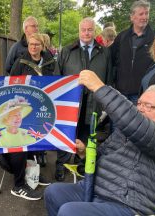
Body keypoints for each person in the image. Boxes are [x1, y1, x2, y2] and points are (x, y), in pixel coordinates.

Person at [44, 70, 155, 216]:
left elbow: (138, 126)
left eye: (149, 106)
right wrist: (84, 153)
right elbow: (98, 161)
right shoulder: (123, 131)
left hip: (129, 205)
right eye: (139, 103)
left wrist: (100, 88)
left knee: (70, 212)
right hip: (96, 189)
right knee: (53, 192)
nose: (140, 109)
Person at [55, 17, 112, 181]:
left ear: (94, 31)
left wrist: (105, 103)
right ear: (79, 31)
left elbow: (108, 80)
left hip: (94, 103)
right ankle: (61, 166)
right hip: (71, 103)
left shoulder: (104, 52)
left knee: (87, 137)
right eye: (83, 30)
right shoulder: (67, 51)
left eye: (90, 30)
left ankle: (82, 168)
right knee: (67, 135)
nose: (86, 33)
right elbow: (57, 77)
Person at [111, 0, 155, 104]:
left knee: (139, 121)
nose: (145, 17)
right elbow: (112, 60)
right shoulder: (121, 37)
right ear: (132, 17)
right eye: (141, 14)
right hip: (120, 92)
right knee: (118, 120)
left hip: (142, 94)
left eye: (147, 13)